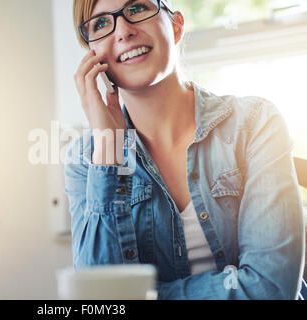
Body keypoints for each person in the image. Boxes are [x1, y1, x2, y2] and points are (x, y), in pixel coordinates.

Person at [64, 0, 305, 299]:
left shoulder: (256, 123)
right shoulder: (85, 161)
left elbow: (270, 289)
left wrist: (142, 296)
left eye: (137, 8)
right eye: (100, 23)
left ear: (176, 26)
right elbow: (96, 299)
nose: (123, 31)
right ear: (92, 55)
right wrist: (108, 149)